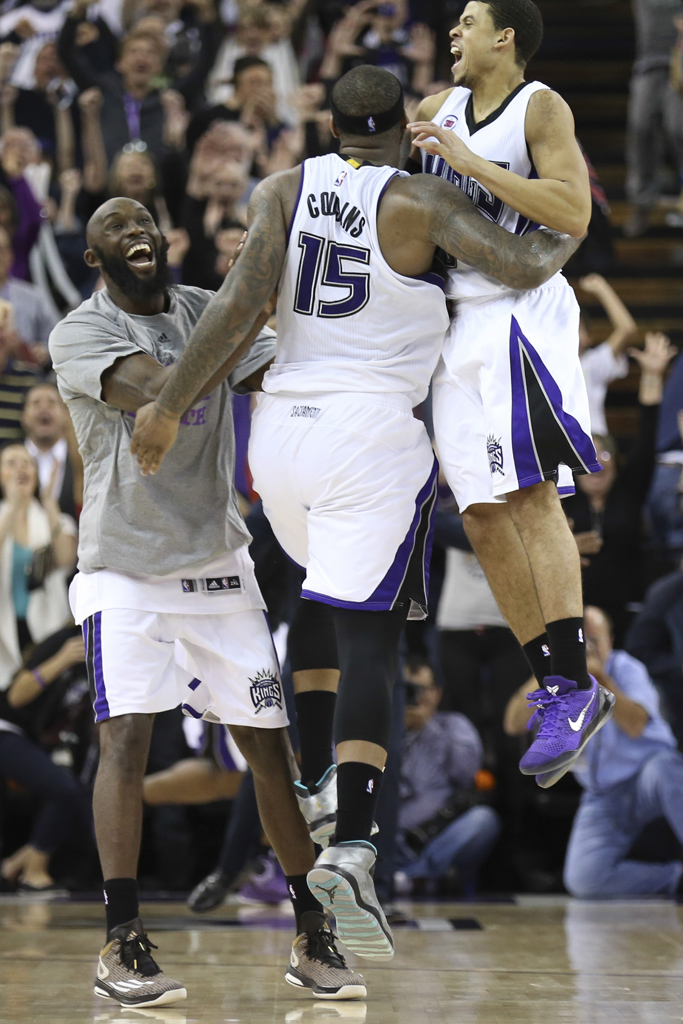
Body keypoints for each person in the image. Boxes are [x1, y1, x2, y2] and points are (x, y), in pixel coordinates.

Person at [129, 65, 581, 959]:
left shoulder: (280, 190)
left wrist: (170, 403)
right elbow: (529, 258)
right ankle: (359, 844)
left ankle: (311, 782)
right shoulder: (418, 200)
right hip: (368, 436)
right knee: (373, 636)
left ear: (331, 126)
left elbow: (234, 307)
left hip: (280, 446)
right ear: (398, 130)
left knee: (317, 605)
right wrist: (561, 221)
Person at [48, 198, 365, 1007]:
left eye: (146, 221)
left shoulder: (201, 309)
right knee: (123, 743)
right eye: (116, 227)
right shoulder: (80, 332)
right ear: (95, 259)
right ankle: (121, 941)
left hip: (219, 558)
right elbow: (163, 394)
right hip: (124, 567)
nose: (137, 232)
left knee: (271, 752)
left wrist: (273, 316)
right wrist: (243, 318)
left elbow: (276, 374)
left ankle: (310, 929)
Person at [407, 0, 613, 785]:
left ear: (505, 37)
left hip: (519, 316)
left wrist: (472, 165)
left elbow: (572, 209)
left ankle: (569, 677)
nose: (452, 34)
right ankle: (561, 687)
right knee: (483, 516)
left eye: (466, 22)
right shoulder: (433, 110)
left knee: (530, 499)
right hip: (453, 324)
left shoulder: (538, 105)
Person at [505, 606, 683, 898]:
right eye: (579, 642)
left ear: (610, 641)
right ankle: (674, 879)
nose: (586, 648)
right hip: (602, 795)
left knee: (666, 767)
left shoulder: (626, 667)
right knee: (585, 881)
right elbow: (512, 724)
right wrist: (545, 673)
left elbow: (637, 724)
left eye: (594, 640)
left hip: (646, 779)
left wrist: (601, 679)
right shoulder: (556, 681)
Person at [394, 658, 501, 896]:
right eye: (410, 689)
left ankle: (415, 876)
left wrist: (427, 728)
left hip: (432, 838)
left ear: (438, 693)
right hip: (384, 837)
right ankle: (407, 878)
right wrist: (398, 731)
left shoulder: (454, 725)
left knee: (483, 820)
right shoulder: (382, 728)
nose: (418, 696)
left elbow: (466, 775)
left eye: (425, 689)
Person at [0, 625, 90, 892]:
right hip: (6, 727)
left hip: (37, 739)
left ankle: (16, 864)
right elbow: (16, 697)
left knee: (80, 796)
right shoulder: (67, 640)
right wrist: (61, 660)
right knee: (63, 790)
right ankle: (33, 872)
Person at [0, 443, 77, 690]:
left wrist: (49, 501)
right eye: (11, 463)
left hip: (47, 628)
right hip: (5, 631)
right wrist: (12, 507)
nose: (20, 468)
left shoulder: (52, 518)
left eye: (27, 463)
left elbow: (67, 559)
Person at [577, 273, 637, 437]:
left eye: (577, 327)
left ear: (588, 338)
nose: (569, 332)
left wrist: (601, 288)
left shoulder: (592, 362)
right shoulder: (547, 364)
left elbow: (627, 329)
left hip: (594, 440)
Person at [22, 382, 82, 518]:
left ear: (66, 416)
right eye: (36, 403)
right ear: (23, 416)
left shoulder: (82, 461)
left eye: (52, 403)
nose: (44, 408)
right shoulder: (7, 461)